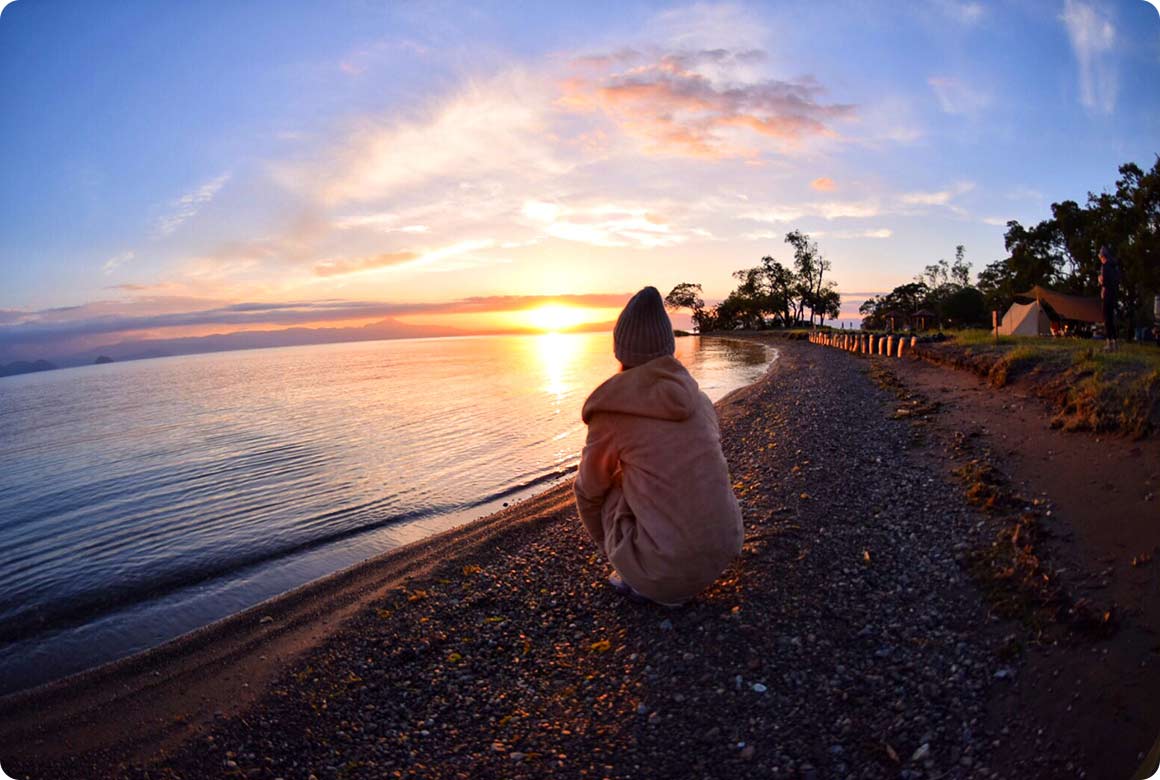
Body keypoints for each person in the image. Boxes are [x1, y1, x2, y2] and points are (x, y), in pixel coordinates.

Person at [573, 286, 743, 607]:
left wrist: (612, 548)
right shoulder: (701, 401)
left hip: (665, 574)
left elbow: (588, 491)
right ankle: (674, 564)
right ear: (668, 348)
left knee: (610, 486)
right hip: (722, 553)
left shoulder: (612, 414)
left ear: (620, 352)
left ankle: (642, 577)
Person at [1098, 245, 1121, 352]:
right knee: (1111, 319)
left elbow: (1104, 282)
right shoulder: (1114, 267)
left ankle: (1109, 342)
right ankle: (1115, 342)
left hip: (1107, 294)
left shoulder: (1105, 267)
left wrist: (1100, 280)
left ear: (1103, 256)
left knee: (1107, 319)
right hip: (1114, 294)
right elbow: (1116, 281)